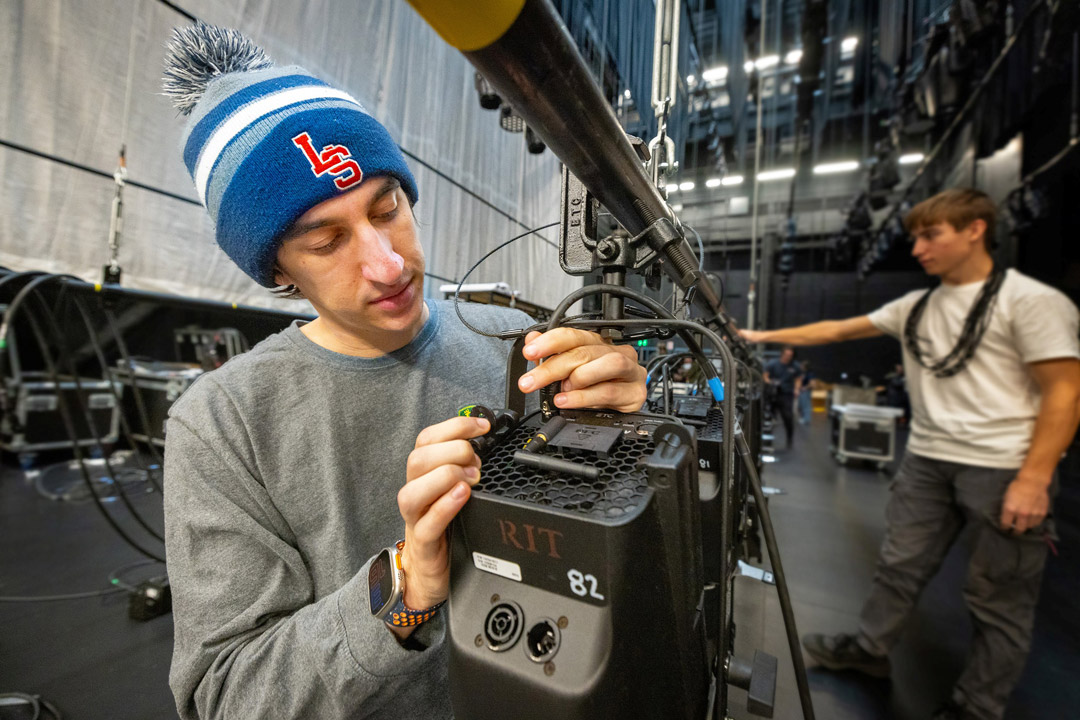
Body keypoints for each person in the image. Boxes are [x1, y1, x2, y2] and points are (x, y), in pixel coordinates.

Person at [159, 25, 647, 720]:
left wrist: (635, 430)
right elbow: (229, 693)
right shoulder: (223, 425)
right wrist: (405, 585)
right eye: (326, 241)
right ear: (277, 271)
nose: (388, 263)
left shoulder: (516, 343)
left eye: (388, 208)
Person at [741, 188, 1080, 720]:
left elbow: (1065, 391)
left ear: (975, 229)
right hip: (926, 459)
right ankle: (870, 651)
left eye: (931, 235)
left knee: (998, 595)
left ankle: (978, 704)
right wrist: (756, 334)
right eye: (916, 237)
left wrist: (1034, 478)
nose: (918, 248)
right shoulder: (916, 306)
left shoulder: (1032, 302)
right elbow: (833, 329)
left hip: (1003, 466)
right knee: (899, 565)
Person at [763, 346, 802, 448]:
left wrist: (797, 389)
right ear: (782, 354)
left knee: (788, 417)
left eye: (790, 355)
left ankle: (790, 439)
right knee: (769, 417)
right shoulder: (773, 364)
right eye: (786, 355)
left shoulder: (795, 366)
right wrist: (770, 382)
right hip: (773, 394)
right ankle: (768, 440)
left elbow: (798, 378)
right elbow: (765, 376)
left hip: (786, 394)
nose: (788, 357)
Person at [797, 360, 814, 425]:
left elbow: (812, 383)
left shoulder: (810, 374)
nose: (800, 367)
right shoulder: (803, 373)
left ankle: (806, 419)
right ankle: (803, 417)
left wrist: (805, 388)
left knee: (806, 405)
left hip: (806, 391)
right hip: (801, 390)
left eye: (802, 366)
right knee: (800, 405)